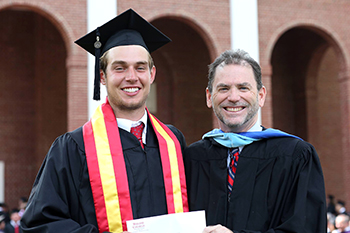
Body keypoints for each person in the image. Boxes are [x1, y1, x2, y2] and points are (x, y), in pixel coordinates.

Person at [21, 8, 188, 233]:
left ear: (152, 74)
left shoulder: (173, 142)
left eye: (140, 67)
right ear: (102, 76)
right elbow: (38, 223)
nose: (132, 77)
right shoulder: (72, 149)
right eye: (119, 68)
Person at [184, 49, 327, 232]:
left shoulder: (295, 156)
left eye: (243, 88)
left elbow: (308, 228)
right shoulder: (192, 158)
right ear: (209, 97)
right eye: (223, 88)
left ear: (261, 96)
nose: (234, 97)